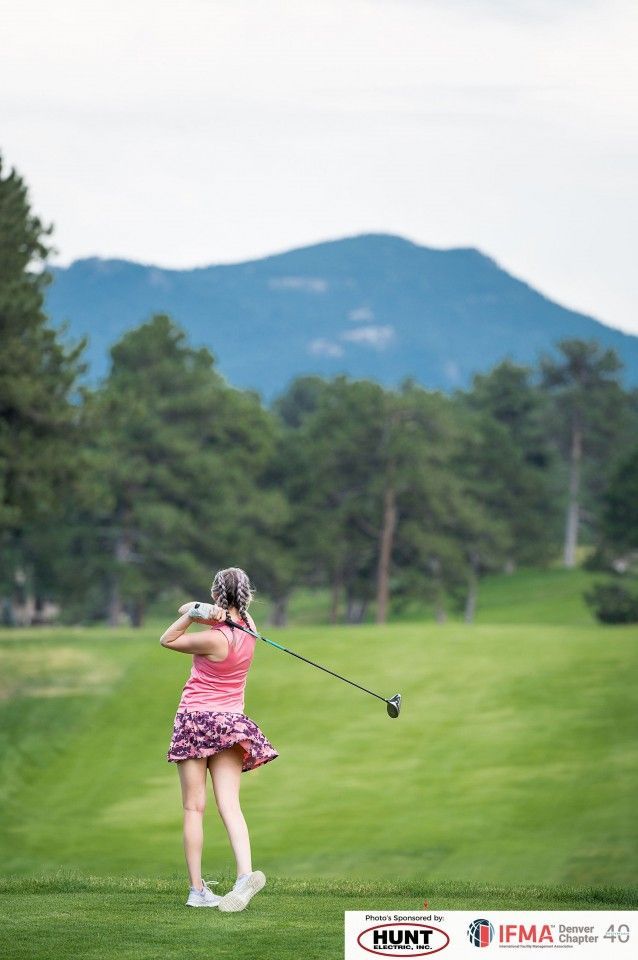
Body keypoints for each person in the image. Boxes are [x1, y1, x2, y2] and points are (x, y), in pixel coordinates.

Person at [161, 566, 278, 911]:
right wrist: (201, 610)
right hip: (230, 723)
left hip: (197, 720)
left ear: (215, 594)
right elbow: (195, 608)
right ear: (247, 596)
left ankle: (197, 890)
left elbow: (167, 639)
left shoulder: (214, 637)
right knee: (230, 804)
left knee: (193, 807)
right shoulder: (251, 629)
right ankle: (244, 875)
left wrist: (195, 613)